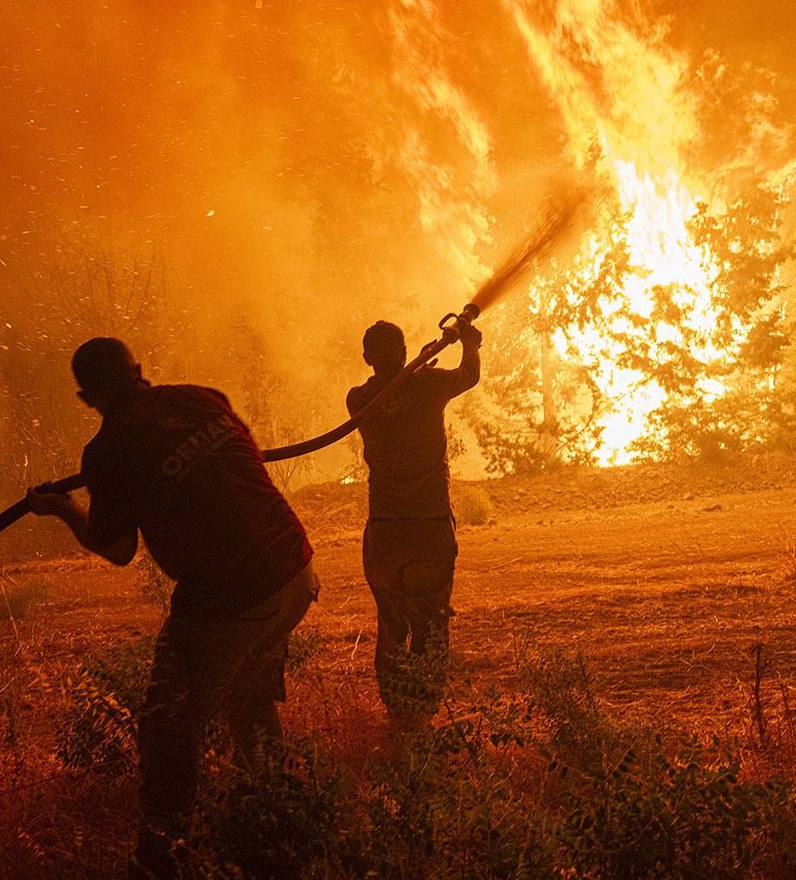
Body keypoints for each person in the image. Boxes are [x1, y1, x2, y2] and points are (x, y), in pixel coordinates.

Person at [26, 337, 317, 878]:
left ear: (86, 397)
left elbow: (117, 548)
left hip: (230, 595)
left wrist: (66, 509)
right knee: (248, 701)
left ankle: (160, 858)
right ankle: (276, 829)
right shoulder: (202, 397)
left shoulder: (110, 449)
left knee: (167, 727)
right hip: (294, 571)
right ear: (140, 369)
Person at [346, 317, 481, 728]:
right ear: (404, 352)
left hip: (385, 535)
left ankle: (396, 716)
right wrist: (469, 343)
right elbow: (468, 375)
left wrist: (419, 366)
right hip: (428, 530)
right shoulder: (427, 385)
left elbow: (392, 394)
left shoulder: (357, 400)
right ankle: (422, 717)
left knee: (391, 626)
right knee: (430, 624)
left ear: (367, 357)